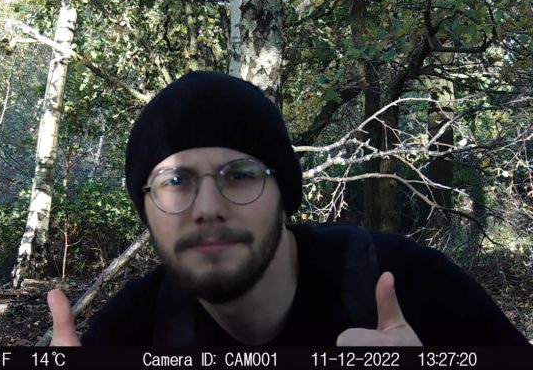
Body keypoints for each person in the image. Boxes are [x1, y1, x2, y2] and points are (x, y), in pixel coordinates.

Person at [46, 71, 528, 346]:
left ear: (285, 198)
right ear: (146, 210)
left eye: (239, 175)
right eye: (175, 182)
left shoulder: (409, 287)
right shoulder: (132, 330)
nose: (208, 208)